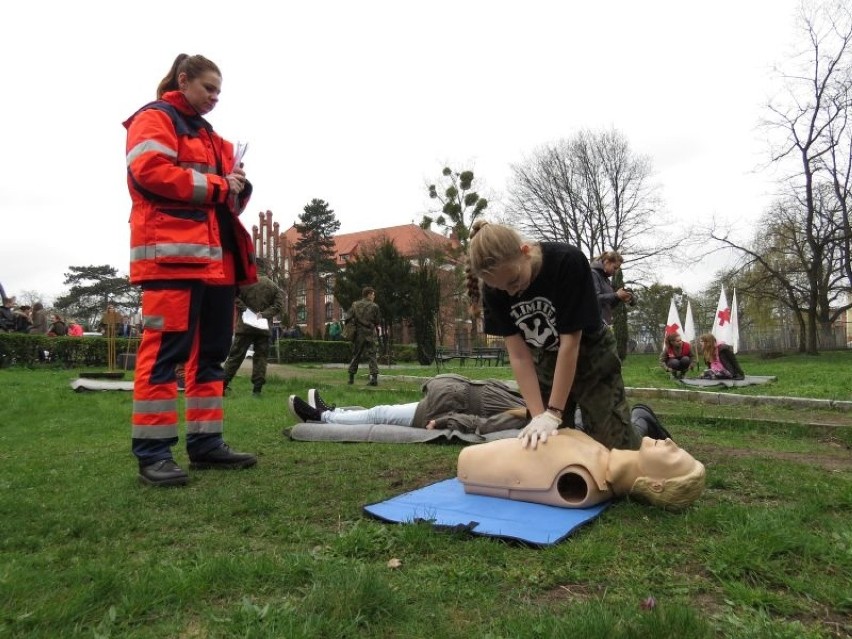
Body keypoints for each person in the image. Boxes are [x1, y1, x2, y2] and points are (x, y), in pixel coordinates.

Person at [123, 53, 259, 487]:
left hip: (214, 261)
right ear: (183, 81)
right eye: (208, 89)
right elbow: (149, 172)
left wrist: (239, 184)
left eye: (220, 92)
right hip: (172, 257)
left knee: (211, 355)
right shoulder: (154, 119)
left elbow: (227, 193)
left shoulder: (210, 136)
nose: (215, 98)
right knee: (164, 355)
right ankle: (153, 454)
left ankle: (205, 445)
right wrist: (221, 185)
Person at [467, 220, 639, 452]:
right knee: (544, 446)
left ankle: (642, 423)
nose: (511, 292)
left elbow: (571, 344)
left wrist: (554, 413)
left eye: (514, 281)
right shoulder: (494, 290)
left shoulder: (566, 262)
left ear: (525, 252)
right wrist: (539, 417)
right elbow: (519, 356)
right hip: (546, 359)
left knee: (614, 449)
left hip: (592, 356)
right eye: (501, 288)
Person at [287, 374, 671, 441]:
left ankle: (324, 417)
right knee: (382, 409)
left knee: (381, 414)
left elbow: (485, 426)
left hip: (442, 406)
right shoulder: (534, 403)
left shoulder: (530, 421)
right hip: (447, 392)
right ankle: (331, 412)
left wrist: (448, 420)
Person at [458, 430, 706, 512]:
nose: (671, 443)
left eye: (674, 455)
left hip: (477, 462)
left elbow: (511, 472)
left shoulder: (585, 480)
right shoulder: (601, 458)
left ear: (655, 484)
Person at [223, 258, 285, 396]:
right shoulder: (272, 285)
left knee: (235, 356)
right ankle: (257, 390)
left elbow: (233, 296)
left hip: (244, 326)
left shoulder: (244, 283)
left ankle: (222, 384)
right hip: (263, 328)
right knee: (261, 358)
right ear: (265, 269)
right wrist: (263, 315)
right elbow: (279, 305)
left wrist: (245, 309)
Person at [346, 287, 381, 386]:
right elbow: (377, 321)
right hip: (370, 333)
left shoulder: (355, 305)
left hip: (359, 334)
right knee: (372, 355)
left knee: (356, 355)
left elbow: (348, 317)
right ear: (369, 294)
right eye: (373, 294)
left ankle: (351, 378)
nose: (374, 296)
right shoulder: (375, 306)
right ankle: (374, 379)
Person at [589, 251, 635, 326]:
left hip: (603, 324)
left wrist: (620, 297)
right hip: (593, 323)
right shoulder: (593, 274)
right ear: (607, 262)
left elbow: (609, 305)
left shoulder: (606, 280)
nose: (616, 272)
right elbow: (594, 299)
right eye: (615, 268)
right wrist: (616, 295)